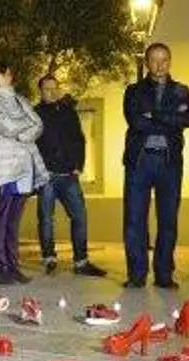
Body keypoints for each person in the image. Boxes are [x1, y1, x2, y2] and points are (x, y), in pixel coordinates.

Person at [122, 42, 189, 289]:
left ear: (170, 62)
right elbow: (136, 122)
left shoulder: (182, 90)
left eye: (164, 60)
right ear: (147, 63)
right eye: (154, 60)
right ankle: (136, 275)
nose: (159, 65)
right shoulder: (134, 91)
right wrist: (170, 119)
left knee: (168, 221)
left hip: (169, 162)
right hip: (139, 162)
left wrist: (154, 114)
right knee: (134, 220)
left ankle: (164, 276)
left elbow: (188, 119)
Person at [0, 62, 49, 284]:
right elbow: (4, 126)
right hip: (1, 169)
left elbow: (38, 124)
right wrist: (25, 127)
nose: (10, 75)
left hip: (24, 167)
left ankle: (13, 266)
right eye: (5, 73)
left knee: (13, 221)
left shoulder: (20, 100)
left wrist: (24, 133)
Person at [35, 75, 107, 278]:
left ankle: (81, 262)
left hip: (69, 175)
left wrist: (78, 166)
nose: (51, 92)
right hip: (47, 175)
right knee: (46, 219)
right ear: (41, 91)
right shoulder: (35, 114)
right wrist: (39, 170)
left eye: (54, 88)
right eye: (47, 89)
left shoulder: (68, 112)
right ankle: (49, 258)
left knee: (79, 216)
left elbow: (79, 139)